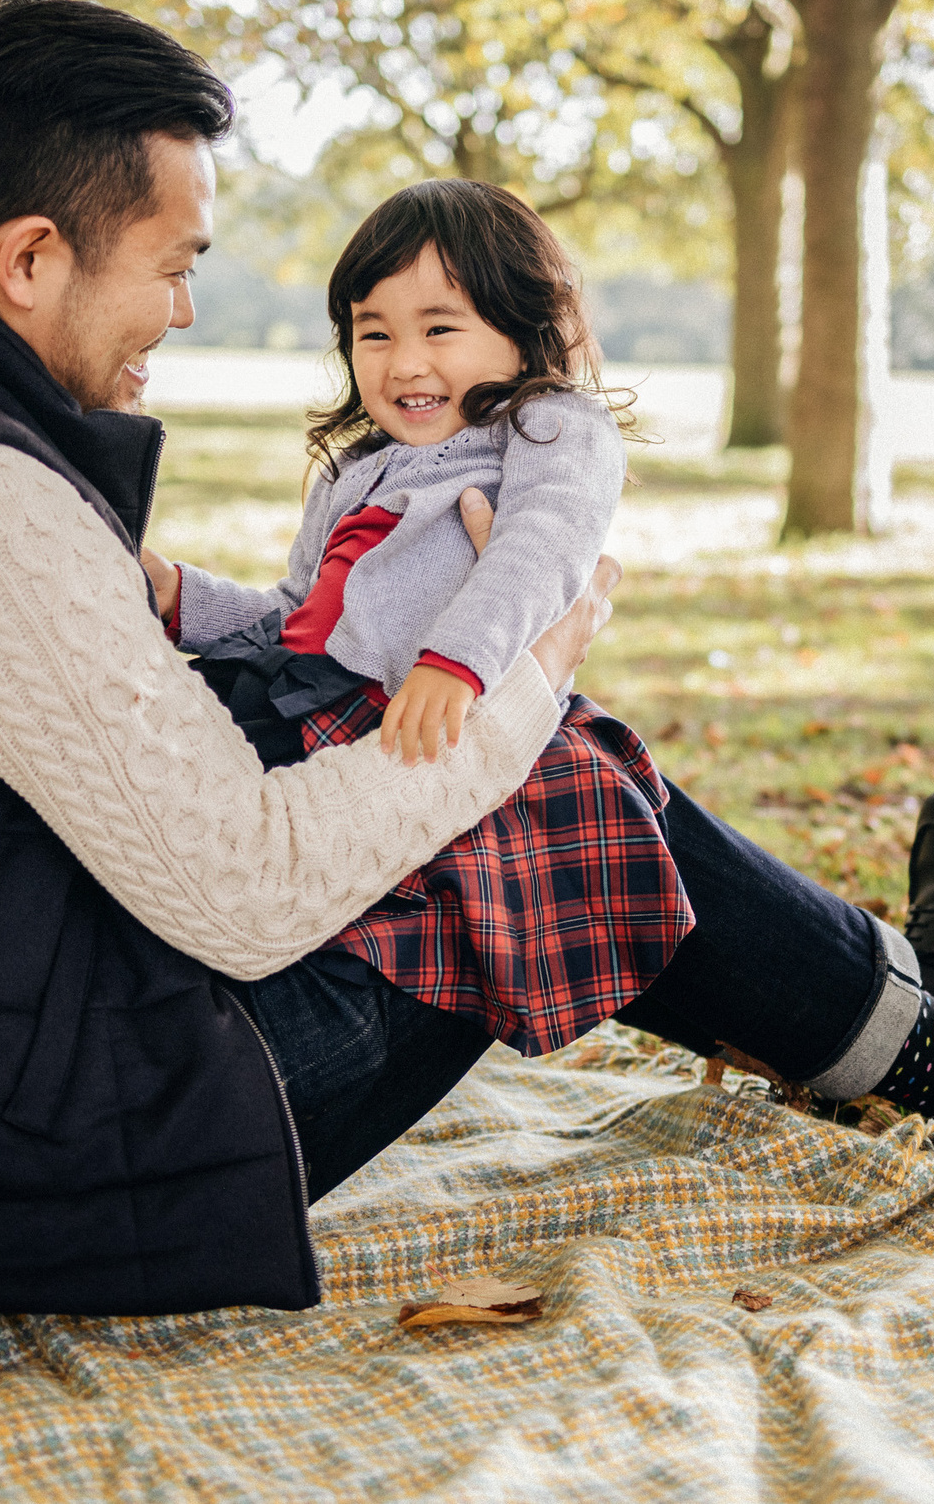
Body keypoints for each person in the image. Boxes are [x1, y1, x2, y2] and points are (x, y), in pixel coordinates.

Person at [0, 0, 934, 1331]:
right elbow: (243, 894)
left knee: (503, 768)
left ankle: (917, 1003)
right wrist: (515, 696)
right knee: (547, 785)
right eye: (173, 266)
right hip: (1, 1166)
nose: (185, 312)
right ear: (29, 258)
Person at [150, 179, 687, 1065]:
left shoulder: (551, 429)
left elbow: (541, 552)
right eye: (375, 333)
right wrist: (182, 596)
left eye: (440, 328)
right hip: (307, 705)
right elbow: (295, 618)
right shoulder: (355, 469)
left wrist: (456, 661)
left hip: (420, 715)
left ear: (520, 326)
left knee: (623, 836)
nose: (404, 363)